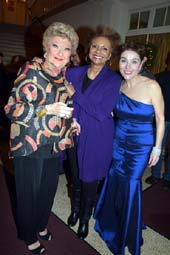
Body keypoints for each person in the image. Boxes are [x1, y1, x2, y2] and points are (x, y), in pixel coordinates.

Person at [4, 22, 80, 255]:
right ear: (45, 48)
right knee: (29, 192)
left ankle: (39, 224)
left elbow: (62, 108)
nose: (60, 52)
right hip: (28, 143)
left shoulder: (62, 76)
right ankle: (27, 234)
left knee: (47, 190)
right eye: (55, 46)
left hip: (52, 144)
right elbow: (11, 109)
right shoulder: (31, 70)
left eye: (66, 49)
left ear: (71, 55)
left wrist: (71, 121)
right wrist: (47, 110)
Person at [94, 41, 164, 255]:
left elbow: (161, 119)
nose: (127, 66)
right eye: (124, 60)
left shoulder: (152, 86)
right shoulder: (119, 85)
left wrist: (157, 148)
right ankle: (111, 220)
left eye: (134, 61)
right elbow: (111, 112)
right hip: (118, 140)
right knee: (114, 178)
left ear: (142, 62)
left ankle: (127, 231)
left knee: (131, 183)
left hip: (141, 144)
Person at [66, 26, 122, 239]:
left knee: (90, 181)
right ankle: (74, 209)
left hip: (98, 136)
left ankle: (84, 218)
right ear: (88, 49)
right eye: (95, 46)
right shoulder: (73, 72)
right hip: (74, 132)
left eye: (104, 48)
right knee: (76, 177)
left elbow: (100, 112)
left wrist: (76, 94)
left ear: (110, 55)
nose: (98, 51)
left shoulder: (114, 80)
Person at [145, 51, 170, 190]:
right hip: (162, 119)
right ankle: (155, 175)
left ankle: (168, 178)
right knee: (157, 148)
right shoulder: (160, 77)